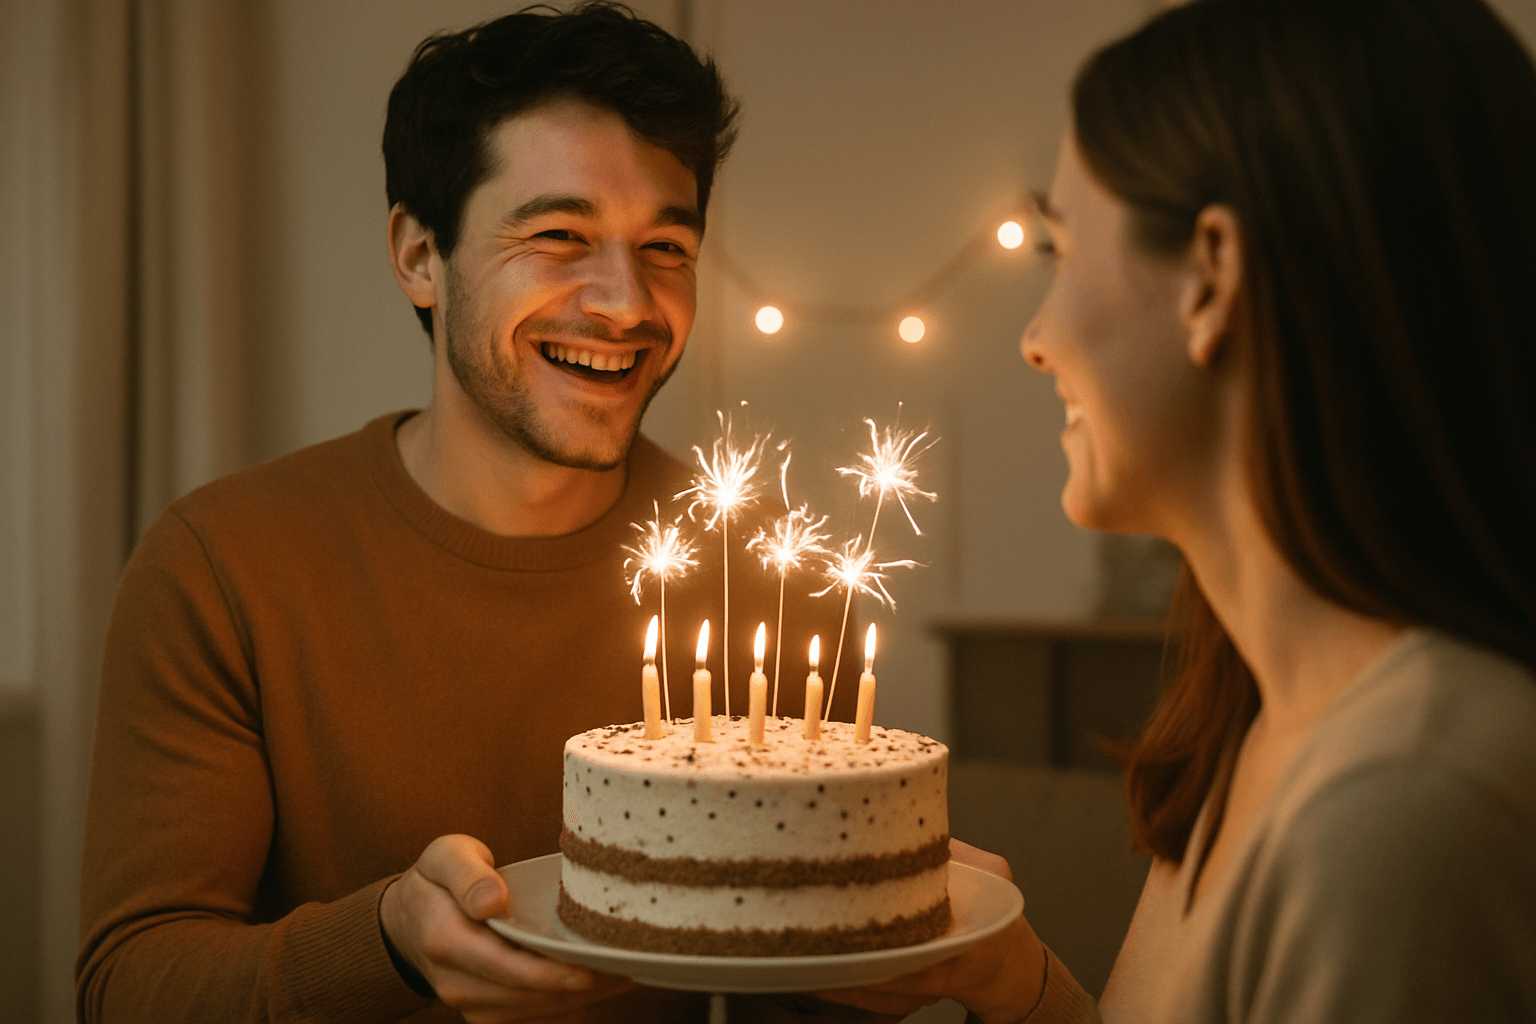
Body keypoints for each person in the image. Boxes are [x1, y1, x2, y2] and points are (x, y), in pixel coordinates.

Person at [75, 5, 865, 1023]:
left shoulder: (764, 574)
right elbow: (130, 988)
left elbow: (799, 989)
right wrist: (388, 942)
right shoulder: (221, 567)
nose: (626, 303)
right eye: (559, 236)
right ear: (418, 255)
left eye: (666, 246)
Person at [817, 0, 1536, 1021]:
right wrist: (1007, 974)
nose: (1035, 336)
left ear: (1211, 276)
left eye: (1060, 252)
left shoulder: (1403, 804)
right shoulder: (1256, 715)